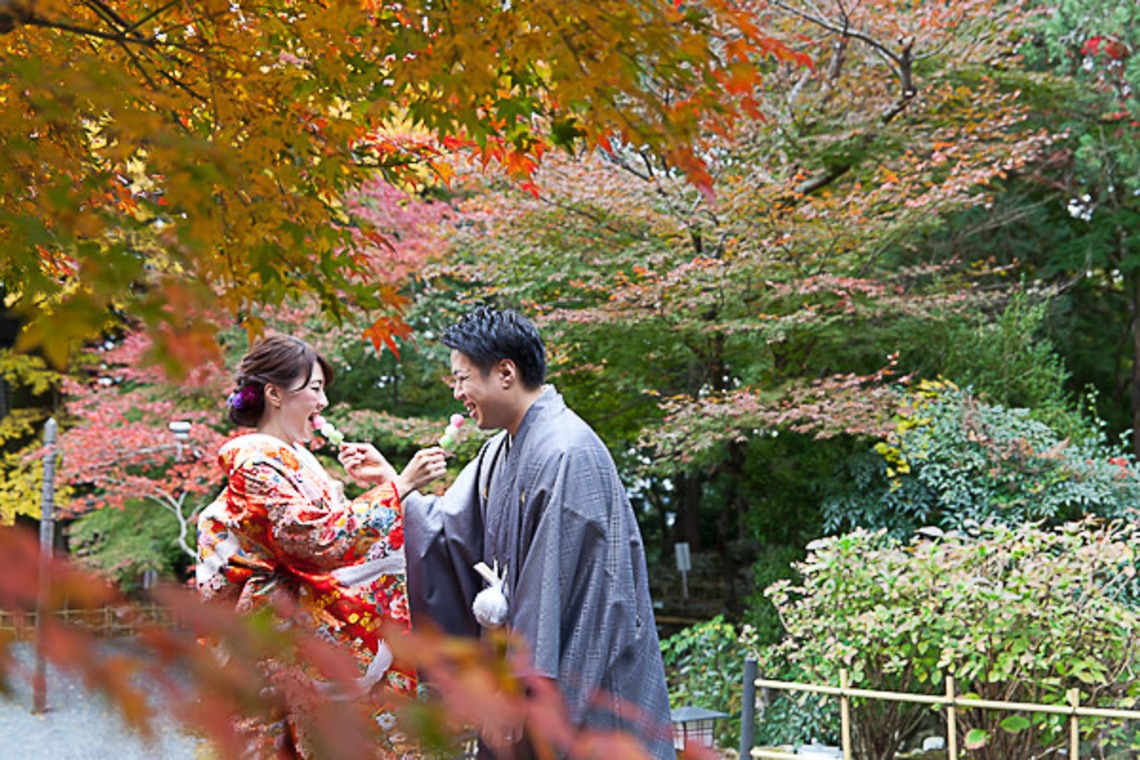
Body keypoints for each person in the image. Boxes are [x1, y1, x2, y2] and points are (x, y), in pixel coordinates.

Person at [341, 306, 675, 759]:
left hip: (581, 672)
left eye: (462, 379)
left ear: (505, 372)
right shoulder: (501, 450)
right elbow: (446, 535)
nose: (458, 393)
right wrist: (391, 485)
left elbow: (548, 584)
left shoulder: (566, 451)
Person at [196, 334, 447, 758]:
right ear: (275, 394)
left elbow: (344, 542)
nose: (323, 403)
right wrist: (400, 486)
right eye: (314, 388)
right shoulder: (254, 462)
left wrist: (384, 483)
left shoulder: (294, 459)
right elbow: (310, 539)